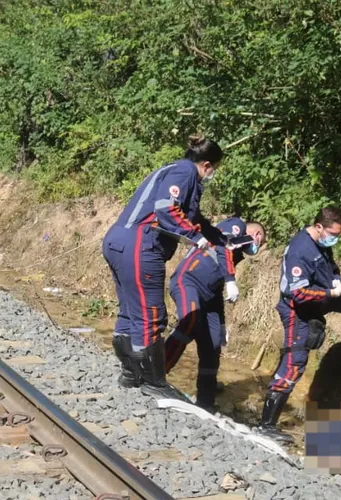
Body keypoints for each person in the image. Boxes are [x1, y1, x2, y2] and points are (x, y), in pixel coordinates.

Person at [255, 206, 341, 444]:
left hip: (321, 296)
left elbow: (328, 269)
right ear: (319, 227)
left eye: (339, 235)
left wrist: (340, 284)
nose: (335, 239)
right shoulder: (300, 251)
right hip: (296, 310)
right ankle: (266, 425)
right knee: (295, 363)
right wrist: (332, 291)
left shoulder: (321, 244)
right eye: (333, 234)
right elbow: (298, 292)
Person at [101, 134, 224, 400]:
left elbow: (193, 217)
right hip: (139, 244)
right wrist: (197, 238)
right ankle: (154, 382)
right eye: (215, 168)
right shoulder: (184, 172)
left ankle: (131, 374)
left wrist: (218, 236)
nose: (213, 174)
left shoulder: (170, 170)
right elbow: (167, 209)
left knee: (130, 313)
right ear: (206, 165)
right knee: (150, 316)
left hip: (119, 241)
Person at [165, 217, 266, 411]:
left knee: (213, 343)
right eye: (259, 243)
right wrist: (231, 279)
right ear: (257, 236)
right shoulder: (236, 226)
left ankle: (206, 400)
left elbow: (216, 290)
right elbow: (224, 245)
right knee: (191, 320)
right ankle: (158, 372)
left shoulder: (235, 256)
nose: (256, 248)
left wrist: (221, 324)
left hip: (208, 295)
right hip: (188, 281)